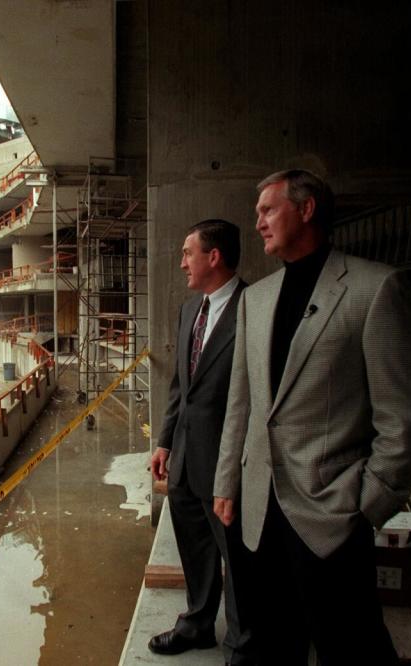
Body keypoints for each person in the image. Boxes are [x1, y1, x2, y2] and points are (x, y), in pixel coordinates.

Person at [213, 170, 411, 665]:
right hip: (257, 514)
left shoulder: (375, 289)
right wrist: (228, 482)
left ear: (307, 208)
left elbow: (407, 415)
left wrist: (367, 502)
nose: (259, 223)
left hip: (331, 513)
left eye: (269, 210)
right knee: (270, 642)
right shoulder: (256, 298)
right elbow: (242, 404)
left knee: (351, 645)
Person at [149, 219, 255, 664]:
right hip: (186, 458)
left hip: (230, 461)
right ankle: (197, 624)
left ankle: (244, 643)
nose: (182, 262)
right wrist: (165, 440)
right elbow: (181, 385)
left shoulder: (255, 308)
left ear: (214, 256)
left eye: (188, 252)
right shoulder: (190, 310)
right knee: (194, 546)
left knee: (240, 557)